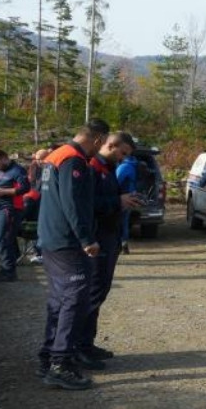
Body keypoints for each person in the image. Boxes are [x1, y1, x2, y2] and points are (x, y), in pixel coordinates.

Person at [37, 119, 109, 391]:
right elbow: (72, 203)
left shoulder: (55, 155)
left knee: (58, 299)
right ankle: (60, 364)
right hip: (67, 243)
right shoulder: (73, 160)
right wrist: (86, 239)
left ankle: (48, 356)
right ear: (98, 139)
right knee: (74, 299)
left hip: (52, 239)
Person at [79, 132, 142, 367]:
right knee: (91, 294)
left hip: (110, 237)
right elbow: (86, 205)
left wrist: (124, 200)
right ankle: (79, 347)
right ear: (111, 145)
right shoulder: (92, 168)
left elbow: (108, 199)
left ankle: (87, 343)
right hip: (98, 239)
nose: (124, 159)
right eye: (123, 153)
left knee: (99, 292)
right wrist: (118, 202)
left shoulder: (107, 168)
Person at [0, 149, 31, 283]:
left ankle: (9, 271)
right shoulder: (1, 171)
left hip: (10, 209)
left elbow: (25, 188)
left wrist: (2, 191)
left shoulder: (18, 171)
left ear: (5, 158)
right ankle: (10, 261)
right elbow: (2, 186)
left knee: (3, 240)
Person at [20, 149, 49, 265]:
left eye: (41, 159)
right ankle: (38, 251)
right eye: (37, 159)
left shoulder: (49, 168)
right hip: (34, 199)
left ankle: (41, 252)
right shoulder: (35, 167)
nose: (39, 161)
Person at [115, 148, 139, 254]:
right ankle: (124, 243)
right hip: (131, 195)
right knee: (124, 221)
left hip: (124, 197)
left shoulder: (124, 166)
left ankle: (120, 244)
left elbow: (117, 181)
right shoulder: (134, 164)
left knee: (118, 221)